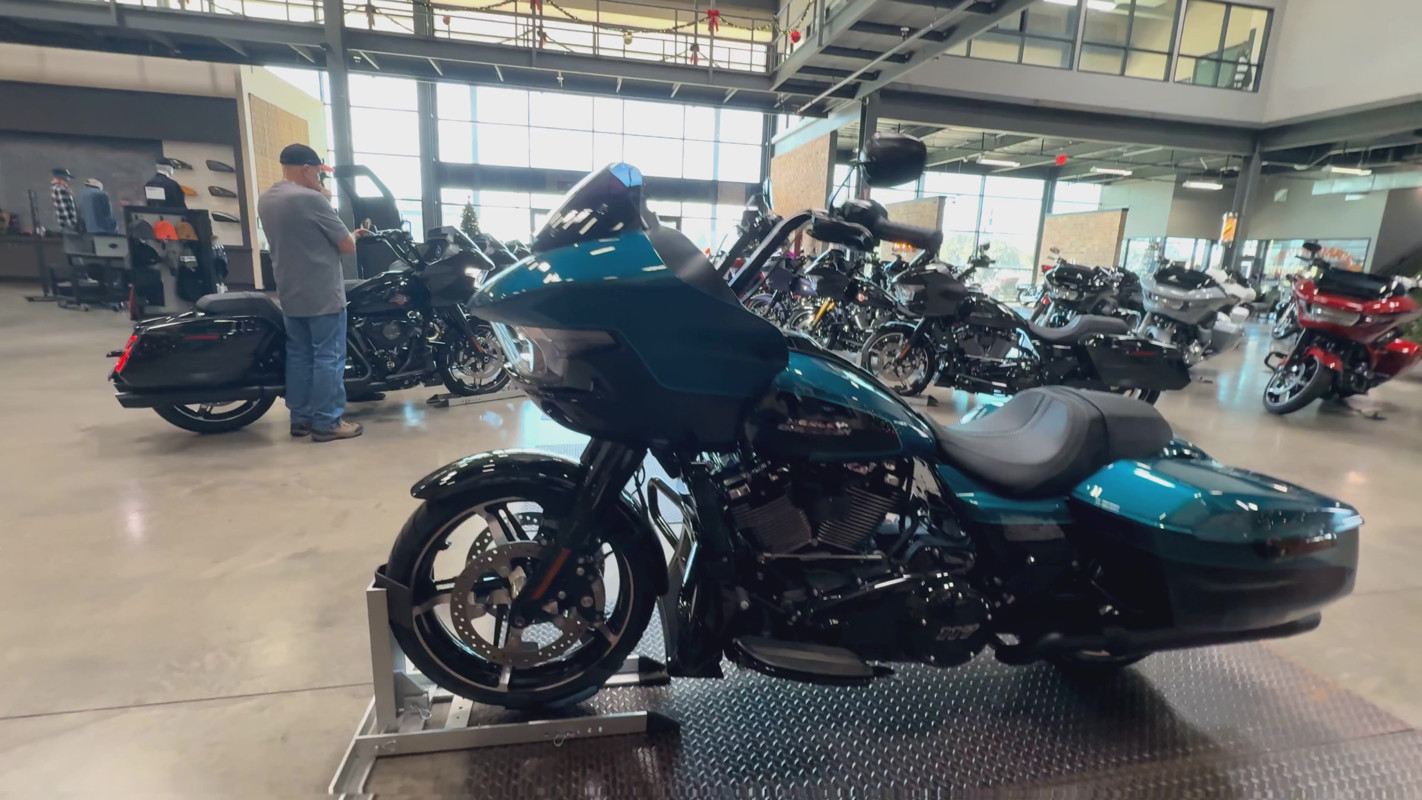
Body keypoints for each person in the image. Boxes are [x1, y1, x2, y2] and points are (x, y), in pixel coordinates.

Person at [257, 143, 369, 442]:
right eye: (318, 172)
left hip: (289, 291)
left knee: (299, 355)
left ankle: (301, 419)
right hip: (322, 292)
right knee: (328, 357)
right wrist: (326, 200)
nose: (320, 178)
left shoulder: (266, 198)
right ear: (306, 169)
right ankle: (328, 422)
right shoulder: (311, 199)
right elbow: (346, 246)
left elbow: (306, 238)